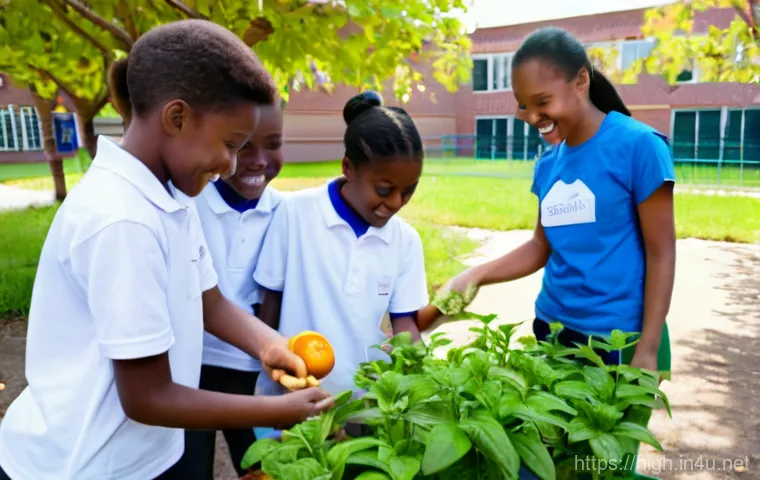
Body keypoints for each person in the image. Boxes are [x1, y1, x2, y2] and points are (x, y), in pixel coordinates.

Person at [0, 20, 332, 480]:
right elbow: (148, 397)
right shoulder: (123, 220)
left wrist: (269, 343)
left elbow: (209, 302)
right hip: (83, 465)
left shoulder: (172, 196)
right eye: (230, 144)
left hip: (144, 454)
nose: (231, 165)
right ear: (176, 118)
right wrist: (270, 410)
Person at [422, 26, 675, 376]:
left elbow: (662, 252)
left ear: (581, 80)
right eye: (525, 105)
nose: (533, 116)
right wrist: (473, 276)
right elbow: (540, 246)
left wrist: (648, 348)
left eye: (543, 102)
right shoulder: (548, 164)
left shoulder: (639, 146)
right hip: (552, 331)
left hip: (618, 342)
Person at [254, 91, 429, 399]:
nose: (396, 202)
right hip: (296, 396)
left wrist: (423, 372)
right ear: (348, 168)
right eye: (385, 189)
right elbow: (270, 304)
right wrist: (268, 380)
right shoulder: (295, 213)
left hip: (371, 403)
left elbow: (404, 323)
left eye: (408, 191)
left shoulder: (405, 241)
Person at [172, 103, 286, 478]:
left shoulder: (285, 213)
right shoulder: (187, 202)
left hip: (251, 369)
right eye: (243, 147)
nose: (258, 161)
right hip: (190, 368)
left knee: (265, 468)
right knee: (190, 467)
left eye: (273, 145)